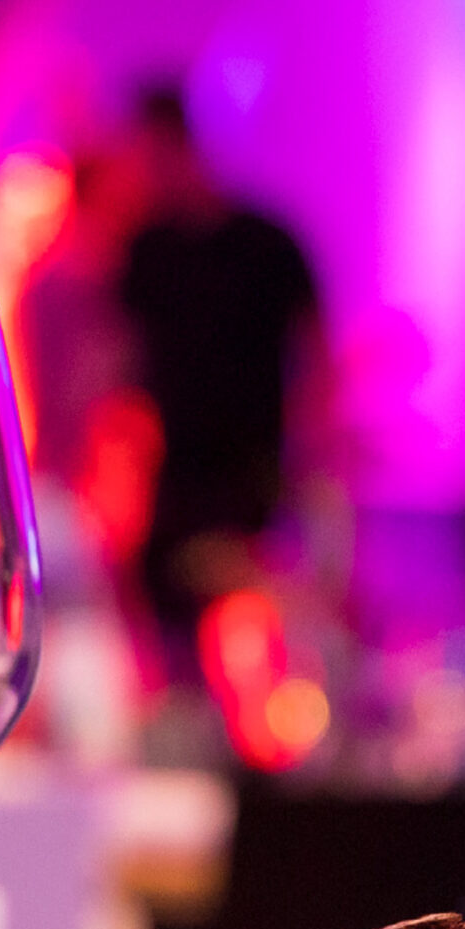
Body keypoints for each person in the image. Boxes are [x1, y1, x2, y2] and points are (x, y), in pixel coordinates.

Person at [116, 83, 323, 661]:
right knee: (172, 632)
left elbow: (318, 357)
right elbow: (120, 365)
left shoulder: (267, 245)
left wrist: (312, 463)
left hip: (254, 475)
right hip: (173, 480)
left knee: (253, 628)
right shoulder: (147, 250)